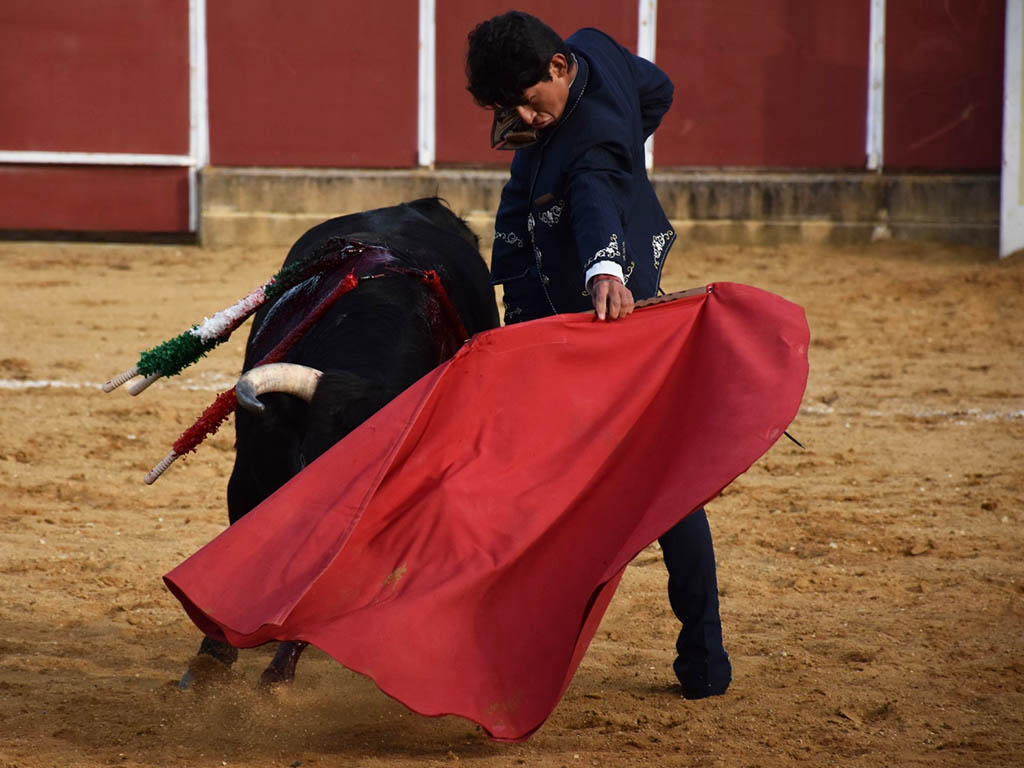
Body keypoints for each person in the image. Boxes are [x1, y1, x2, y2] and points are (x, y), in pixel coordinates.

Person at [466, 11, 731, 699]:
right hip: (569, 289)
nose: (526, 117)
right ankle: (704, 662)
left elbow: (593, 204)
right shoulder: (594, 48)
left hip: (594, 310)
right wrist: (629, 169)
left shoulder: (589, 147)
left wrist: (605, 263)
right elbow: (660, 89)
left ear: (558, 69)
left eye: (531, 100)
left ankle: (525, 651)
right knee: (660, 475)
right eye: (509, 109)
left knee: (608, 483)